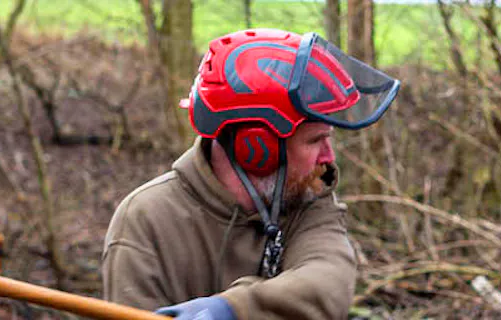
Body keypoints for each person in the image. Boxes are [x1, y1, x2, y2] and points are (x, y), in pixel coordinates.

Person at [101, 28, 400, 320]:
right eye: (314, 141)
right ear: (256, 146)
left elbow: (328, 280)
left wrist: (233, 310)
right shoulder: (145, 221)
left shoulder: (307, 195)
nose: (328, 156)